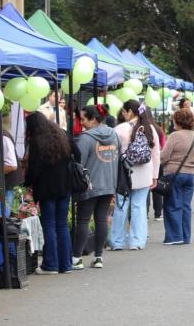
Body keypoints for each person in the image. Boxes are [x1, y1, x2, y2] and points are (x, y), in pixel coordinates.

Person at [23, 111, 74, 274]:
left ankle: (51, 264)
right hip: (64, 186)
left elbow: (34, 169)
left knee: (49, 225)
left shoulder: (37, 141)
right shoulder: (62, 135)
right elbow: (77, 154)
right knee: (62, 224)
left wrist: (27, 184)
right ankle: (66, 264)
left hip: (46, 189)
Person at [73, 105, 118, 269]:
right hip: (109, 183)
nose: (81, 122)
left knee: (83, 220)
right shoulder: (113, 134)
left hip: (89, 185)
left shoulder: (85, 138)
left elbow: (78, 163)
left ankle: (77, 258)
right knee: (101, 220)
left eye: (83, 118)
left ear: (93, 119)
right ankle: (98, 256)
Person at [112, 100, 160, 250]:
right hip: (144, 173)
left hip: (125, 173)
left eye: (124, 112)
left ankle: (117, 242)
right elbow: (156, 154)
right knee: (138, 207)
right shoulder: (149, 128)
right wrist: (155, 175)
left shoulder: (120, 129)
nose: (123, 114)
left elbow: (113, 153)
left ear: (130, 112)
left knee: (121, 206)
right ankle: (137, 242)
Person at [160, 109, 194, 245]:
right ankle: (185, 237)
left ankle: (174, 237)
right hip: (190, 175)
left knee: (172, 205)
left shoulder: (175, 136)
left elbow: (164, 156)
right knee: (185, 206)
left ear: (178, 121)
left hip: (174, 174)